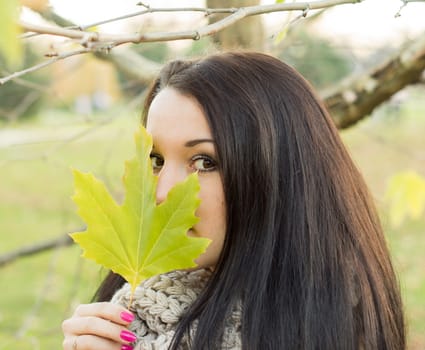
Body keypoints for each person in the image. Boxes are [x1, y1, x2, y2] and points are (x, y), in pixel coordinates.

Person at [62, 51, 405, 350]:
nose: (163, 192)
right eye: (156, 160)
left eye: (204, 162)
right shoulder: (125, 318)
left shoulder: (338, 329)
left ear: (276, 178)